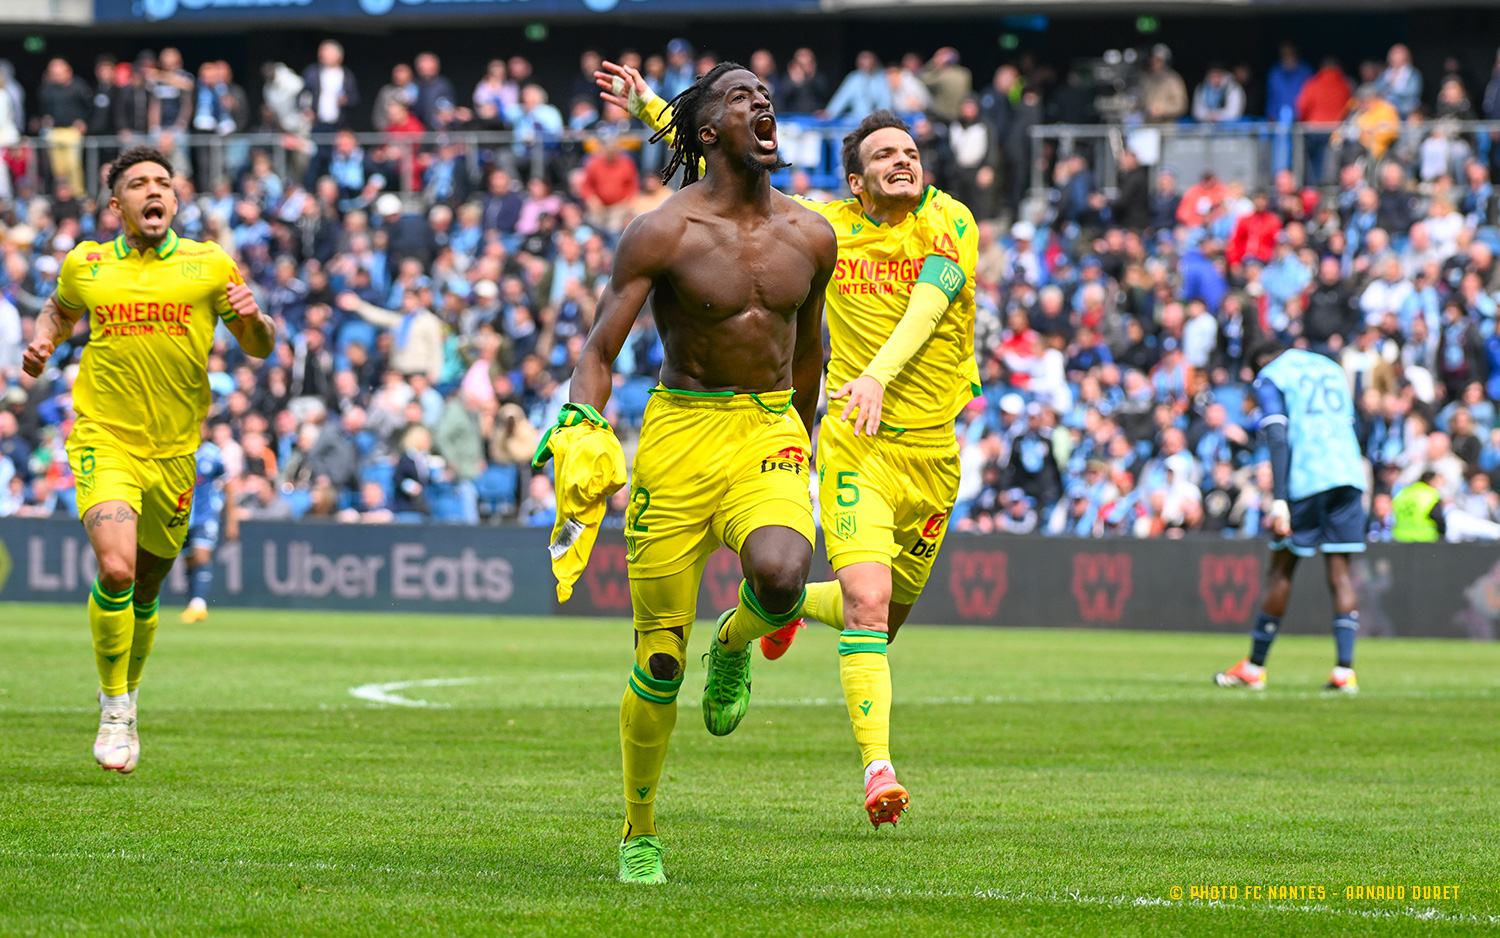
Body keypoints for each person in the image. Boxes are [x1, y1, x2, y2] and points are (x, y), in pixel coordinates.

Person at [607, 61, 979, 830]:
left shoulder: (951, 221)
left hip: (934, 456)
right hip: (852, 441)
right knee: (868, 607)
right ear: (854, 183)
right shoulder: (825, 227)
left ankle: (741, 630)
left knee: (870, 617)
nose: (904, 161)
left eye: (911, 151)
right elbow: (728, 184)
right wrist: (653, 106)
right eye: (885, 156)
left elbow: (930, 305)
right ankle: (879, 772)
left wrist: (879, 372)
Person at [559, 61, 835, 884]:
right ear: (710, 133)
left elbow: (811, 353)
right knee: (657, 663)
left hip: (767, 431)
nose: (764, 102)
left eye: (767, 95)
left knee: (784, 574)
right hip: (679, 438)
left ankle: (738, 642)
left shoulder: (812, 234)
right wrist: (580, 419)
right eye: (743, 96)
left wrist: (804, 447)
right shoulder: (661, 232)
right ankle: (638, 829)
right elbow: (598, 351)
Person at [21, 146, 274, 774]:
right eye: (139, 184)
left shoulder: (208, 263)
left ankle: (128, 692)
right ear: (118, 205)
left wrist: (255, 318)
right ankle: (114, 709)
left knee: (150, 586)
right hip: (105, 438)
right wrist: (46, 337)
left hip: (176, 451)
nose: (153, 191)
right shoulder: (87, 264)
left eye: (163, 183)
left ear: (174, 201)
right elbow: (60, 305)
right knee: (116, 570)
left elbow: (259, 346)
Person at [1215, 342, 1367, 694]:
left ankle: (1254, 667)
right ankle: (1345, 672)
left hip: (1308, 477)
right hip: (1348, 472)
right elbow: (1355, 422)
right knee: (1340, 572)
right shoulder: (1329, 367)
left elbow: (1278, 435)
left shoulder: (1272, 376)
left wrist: (1280, 497)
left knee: (1282, 568)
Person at [180, 426, 238, 623]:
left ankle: (199, 603)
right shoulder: (179, 451)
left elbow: (229, 486)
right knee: (189, 560)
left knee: (201, 557)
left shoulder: (213, 455)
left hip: (206, 516)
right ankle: (193, 603)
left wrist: (232, 520)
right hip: (182, 517)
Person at [1391, 470, 1445, 542]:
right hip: (1424, 539)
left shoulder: (1404, 493)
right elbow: (1437, 518)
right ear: (1430, 481)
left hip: (1400, 537)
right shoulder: (1431, 495)